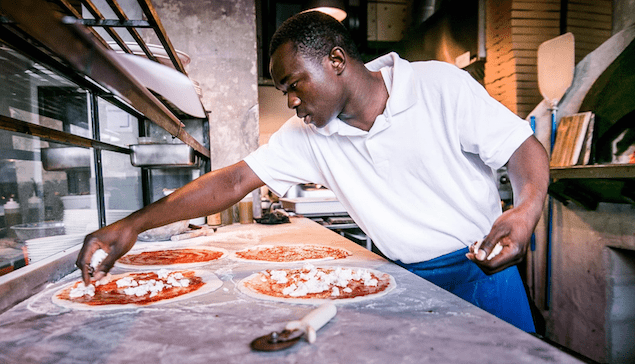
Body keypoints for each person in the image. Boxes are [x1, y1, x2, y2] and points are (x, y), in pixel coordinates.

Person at [77, 11, 549, 332]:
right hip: (407, 283)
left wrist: (525, 210)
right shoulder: (307, 135)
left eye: (294, 84)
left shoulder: (439, 86)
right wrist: (132, 225)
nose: (291, 101)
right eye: (284, 90)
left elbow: (522, 148)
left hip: (485, 279)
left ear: (336, 61)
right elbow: (234, 180)